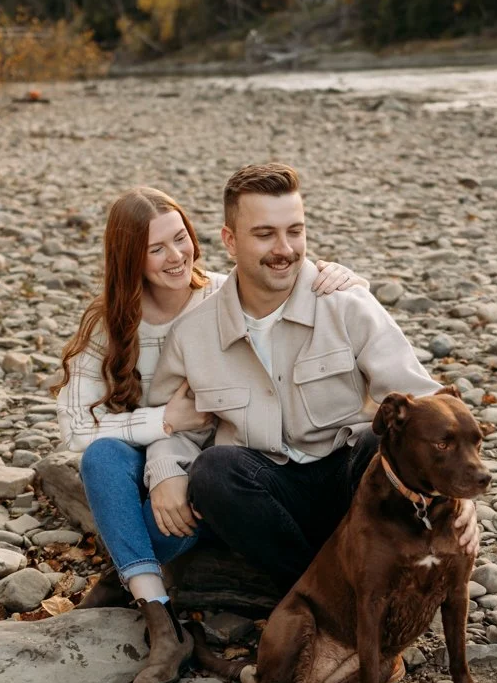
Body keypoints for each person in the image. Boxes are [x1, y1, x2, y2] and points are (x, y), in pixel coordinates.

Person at [52, 185, 365, 683]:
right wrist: (164, 425)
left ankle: (126, 573)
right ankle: (163, 625)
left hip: (221, 477)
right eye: (156, 249)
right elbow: (71, 427)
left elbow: (291, 280)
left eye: (181, 239)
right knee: (103, 455)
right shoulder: (109, 323)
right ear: (129, 258)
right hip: (156, 472)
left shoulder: (227, 294)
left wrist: (346, 276)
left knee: (203, 479)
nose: (176, 256)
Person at [142, 163, 478, 598]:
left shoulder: (346, 303)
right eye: (265, 235)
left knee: (384, 444)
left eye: (295, 231)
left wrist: (459, 496)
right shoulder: (193, 333)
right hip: (267, 501)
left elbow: (425, 404)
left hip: (352, 486)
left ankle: (351, 586)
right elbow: (170, 422)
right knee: (213, 471)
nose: (284, 249)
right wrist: (165, 470)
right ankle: (324, 592)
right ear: (230, 241)